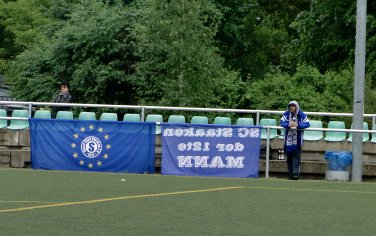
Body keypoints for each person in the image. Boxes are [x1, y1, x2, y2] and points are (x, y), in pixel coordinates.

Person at [280, 101, 310, 180]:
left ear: (296, 107)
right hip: (288, 140)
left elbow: (307, 124)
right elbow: (281, 122)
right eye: (290, 106)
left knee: (296, 157)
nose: (291, 107)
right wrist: (288, 125)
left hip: (297, 140)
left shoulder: (301, 114)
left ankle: (295, 175)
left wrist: (298, 125)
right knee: (289, 157)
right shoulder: (286, 114)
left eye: (293, 106)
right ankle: (290, 174)